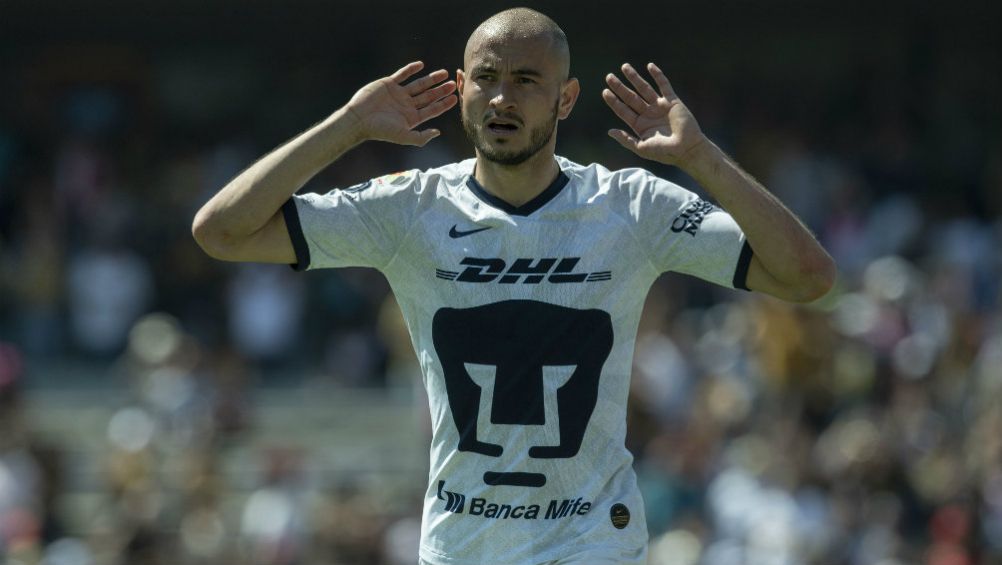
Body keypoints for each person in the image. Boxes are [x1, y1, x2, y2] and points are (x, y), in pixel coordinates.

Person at [192, 7, 835, 565]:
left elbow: (807, 277)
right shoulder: (409, 208)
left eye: (526, 80)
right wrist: (348, 125)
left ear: (565, 98)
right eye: (487, 78)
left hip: (591, 537)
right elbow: (221, 232)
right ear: (461, 87)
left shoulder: (631, 207)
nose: (502, 98)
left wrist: (702, 159)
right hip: (460, 541)